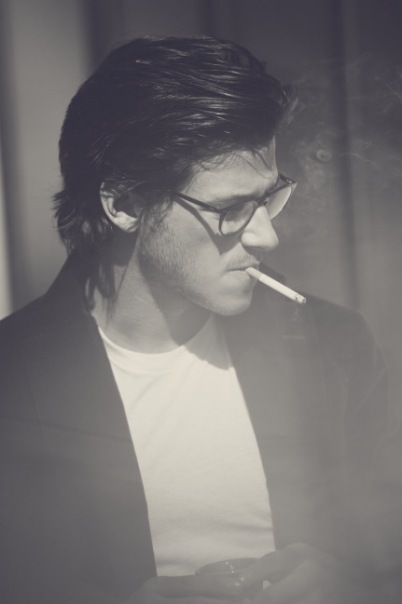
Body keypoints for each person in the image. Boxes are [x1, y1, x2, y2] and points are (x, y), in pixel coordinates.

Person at [0, 36, 400, 604]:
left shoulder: (335, 345)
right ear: (125, 204)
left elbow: (386, 549)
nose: (266, 236)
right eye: (231, 209)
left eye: (269, 198)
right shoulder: (12, 380)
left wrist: (354, 586)